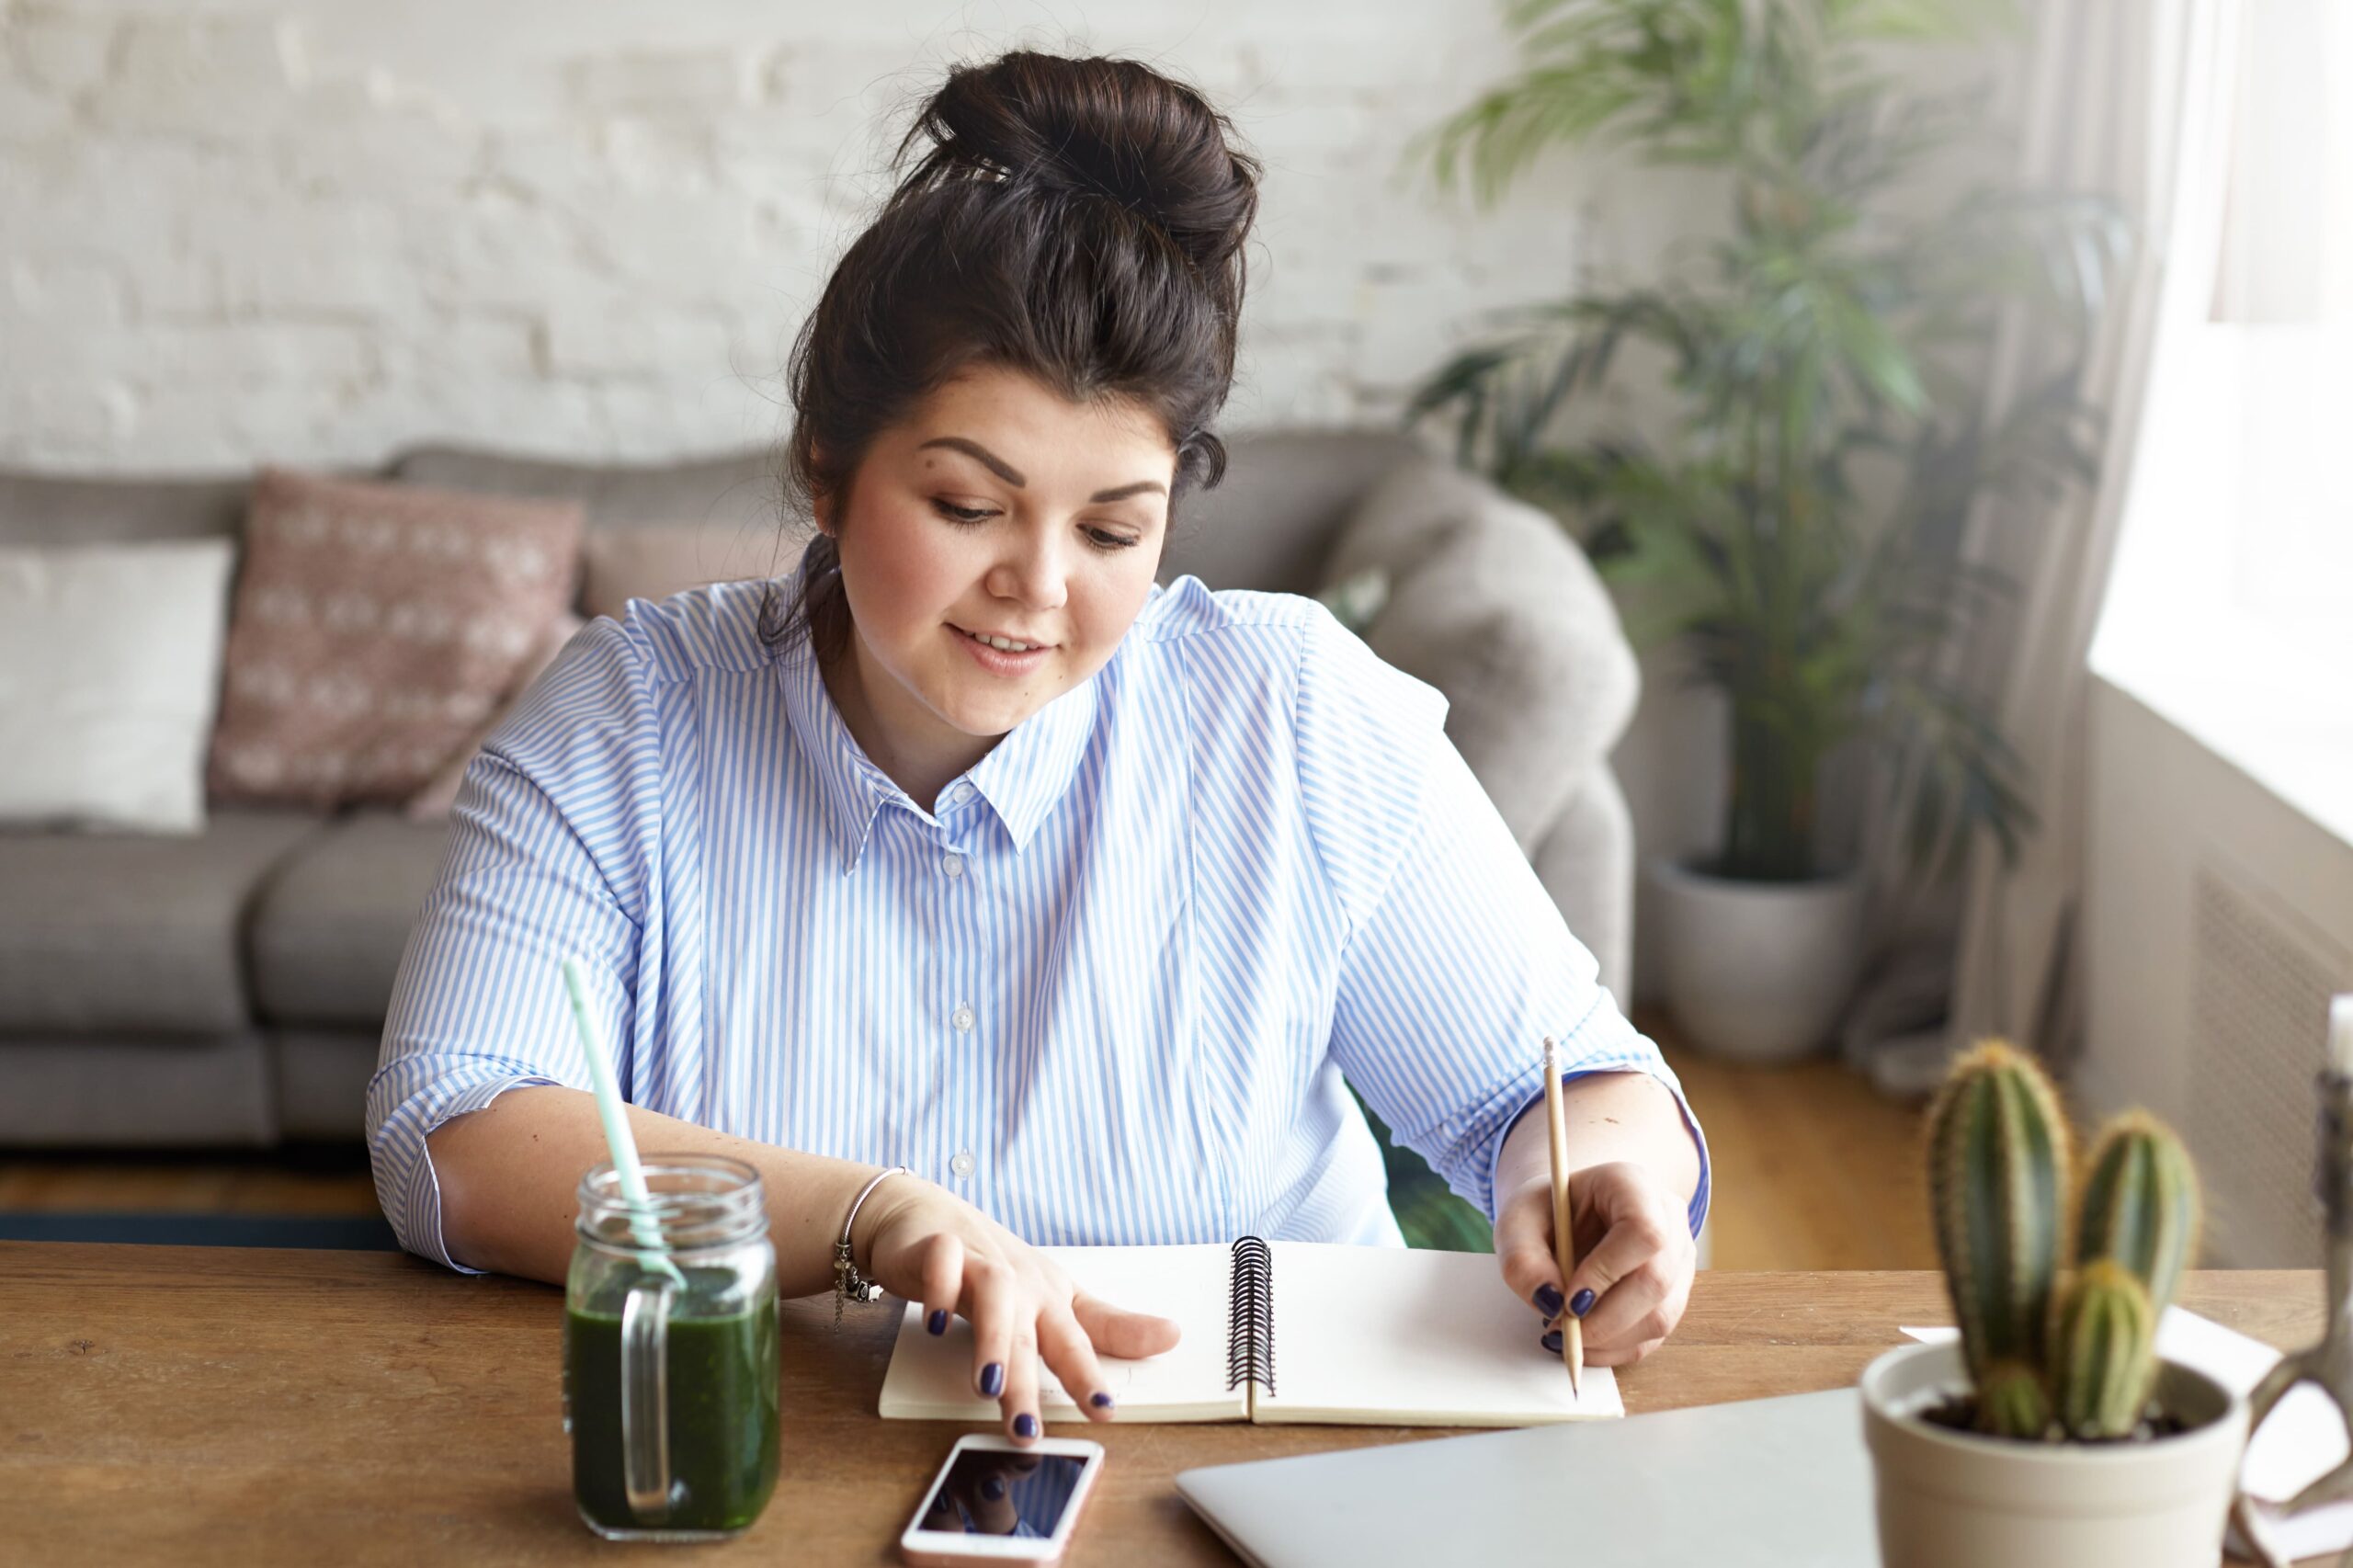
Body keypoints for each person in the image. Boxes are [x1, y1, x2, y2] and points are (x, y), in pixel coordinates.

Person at [368, 49, 1710, 1447]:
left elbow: (1560, 1089)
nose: (1040, 585)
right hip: (783, 1466)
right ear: (826, 466)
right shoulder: (628, 717)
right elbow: (452, 1131)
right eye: (966, 503)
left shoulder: (1295, 712)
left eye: (1114, 528)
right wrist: (869, 1217)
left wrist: (1600, 1175)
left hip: (1265, 1468)